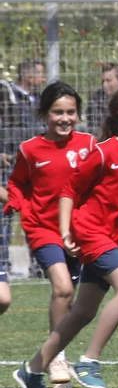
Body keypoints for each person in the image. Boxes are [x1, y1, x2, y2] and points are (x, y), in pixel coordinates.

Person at [13, 85, 118, 388]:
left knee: (81, 313)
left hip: (115, 239)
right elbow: (70, 189)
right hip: (91, 233)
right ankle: (89, 362)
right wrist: (66, 229)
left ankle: (32, 370)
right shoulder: (104, 151)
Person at [4, 81, 95, 388]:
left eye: (71, 112)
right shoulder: (30, 149)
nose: (65, 118)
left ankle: (48, 357)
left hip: (80, 231)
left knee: (71, 297)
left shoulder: (89, 144)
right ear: (44, 114)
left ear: (78, 114)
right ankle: (57, 357)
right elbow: (17, 183)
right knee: (63, 289)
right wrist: (15, 203)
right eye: (58, 112)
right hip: (43, 228)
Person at [0, 59, 47, 266]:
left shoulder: (40, 100)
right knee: (5, 213)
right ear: (29, 76)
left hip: (35, 165)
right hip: (10, 163)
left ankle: (40, 264)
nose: (43, 79)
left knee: (39, 213)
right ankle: (3, 263)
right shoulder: (6, 96)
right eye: (40, 74)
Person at [82, 62, 118, 135]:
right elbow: (93, 126)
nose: (104, 85)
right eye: (103, 81)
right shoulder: (96, 99)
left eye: (109, 80)